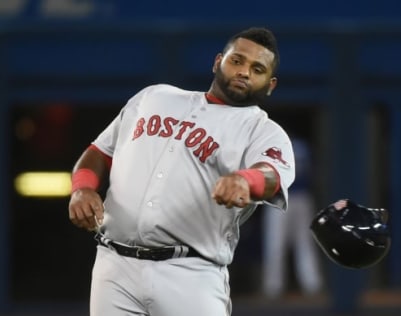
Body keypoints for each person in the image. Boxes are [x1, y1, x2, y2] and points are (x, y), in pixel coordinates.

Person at [68, 27, 295, 316]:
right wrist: (82, 188)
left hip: (190, 273)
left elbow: (272, 175)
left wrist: (245, 180)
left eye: (257, 68)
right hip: (114, 267)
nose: (244, 72)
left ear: (270, 84)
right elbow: (99, 152)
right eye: (237, 61)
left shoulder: (263, 131)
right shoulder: (155, 97)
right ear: (218, 62)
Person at [261, 138, 323, 299]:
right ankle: (311, 285)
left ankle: (274, 288)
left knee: (278, 244)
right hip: (299, 197)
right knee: (300, 244)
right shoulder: (302, 146)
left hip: (283, 197)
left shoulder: (272, 145)